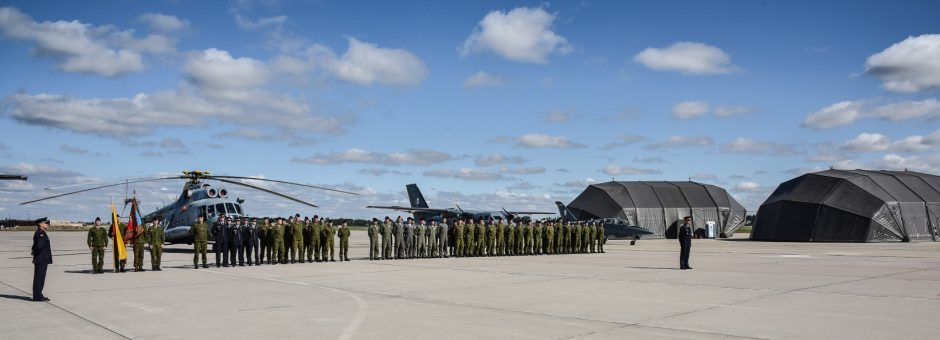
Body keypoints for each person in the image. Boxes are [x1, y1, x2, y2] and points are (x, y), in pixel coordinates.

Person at [31, 217, 52, 301]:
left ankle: (38, 295)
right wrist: (36, 253)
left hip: (40, 258)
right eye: (46, 223)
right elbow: (39, 246)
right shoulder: (41, 233)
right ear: (40, 224)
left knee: (40, 278)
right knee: (39, 278)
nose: (47, 224)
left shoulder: (40, 232)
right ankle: (37, 296)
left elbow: (34, 246)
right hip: (41, 259)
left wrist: (34, 252)